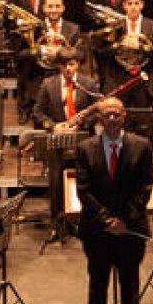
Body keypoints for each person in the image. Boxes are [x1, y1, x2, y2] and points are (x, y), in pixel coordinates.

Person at [75, 98, 153, 304]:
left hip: (130, 230)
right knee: (98, 284)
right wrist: (107, 220)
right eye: (106, 115)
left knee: (130, 283)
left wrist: (125, 221)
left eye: (116, 115)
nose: (111, 119)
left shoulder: (141, 146)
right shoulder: (85, 148)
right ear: (99, 119)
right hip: (98, 231)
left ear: (124, 117)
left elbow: (145, 187)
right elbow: (83, 190)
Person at [34, 48, 99, 229]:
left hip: (83, 140)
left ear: (77, 64)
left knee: (83, 181)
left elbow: (96, 113)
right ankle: (57, 222)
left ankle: (81, 220)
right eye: (64, 65)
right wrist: (54, 126)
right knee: (56, 182)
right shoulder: (48, 84)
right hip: (58, 140)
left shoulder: (89, 83)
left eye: (71, 64)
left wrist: (81, 125)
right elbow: (38, 113)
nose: (68, 69)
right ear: (58, 66)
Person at [17, 0, 80, 122]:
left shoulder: (73, 28)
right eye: (50, 6)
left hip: (62, 74)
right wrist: (41, 50)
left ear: (63, 8)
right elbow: (21, 54)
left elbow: (81, 55)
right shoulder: (33, 27)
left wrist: (62, 51)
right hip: (38, 75)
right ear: (44, 8)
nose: (54, 10)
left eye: (57, 6)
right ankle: (27, 110)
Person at [95, 0, 153, 107]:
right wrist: (119, 45)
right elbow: (101, 52)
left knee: (143, 117)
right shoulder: (114, 25)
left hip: (144, 77)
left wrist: (140, 47)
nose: (133, 7)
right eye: (129, 3)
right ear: (124, 6)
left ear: (142, 5)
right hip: (118, 76)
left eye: (136, 3)